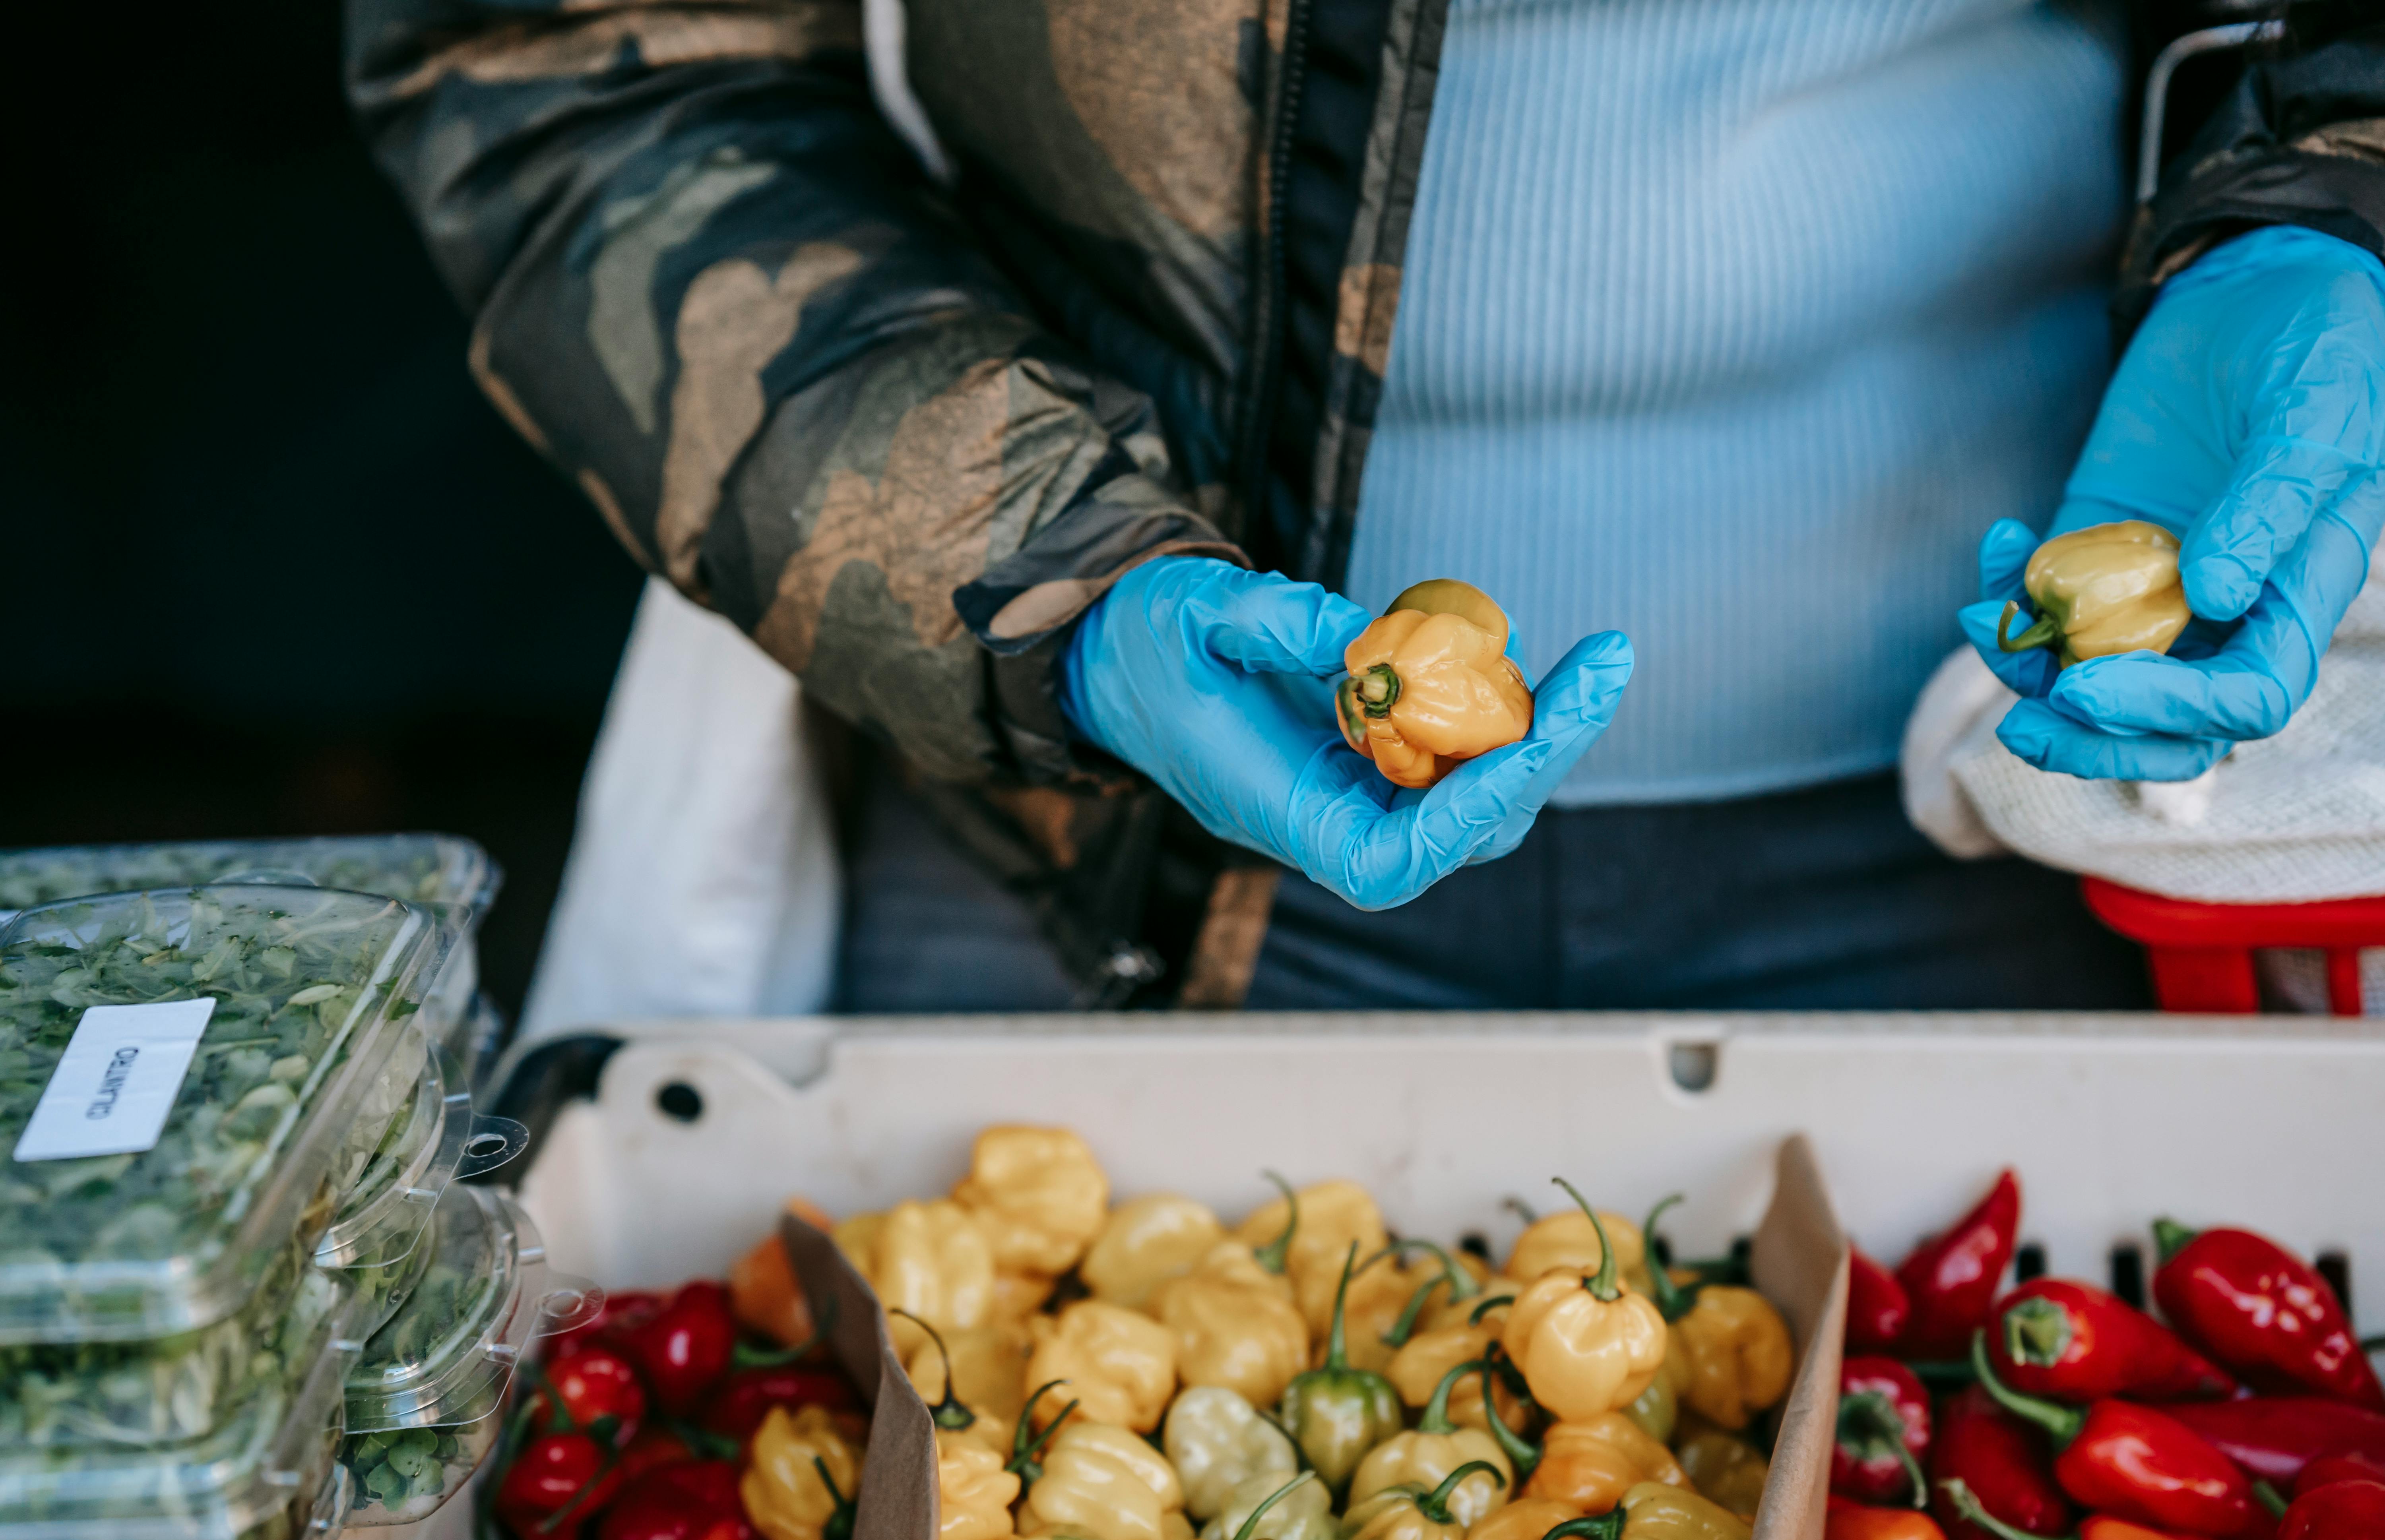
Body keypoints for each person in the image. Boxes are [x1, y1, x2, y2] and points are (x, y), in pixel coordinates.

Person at [346, 0, 2385, 1015]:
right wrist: (1044, 571)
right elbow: (579, 58)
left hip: (2022, 836)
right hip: (1097, 839)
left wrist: (2338, 197)